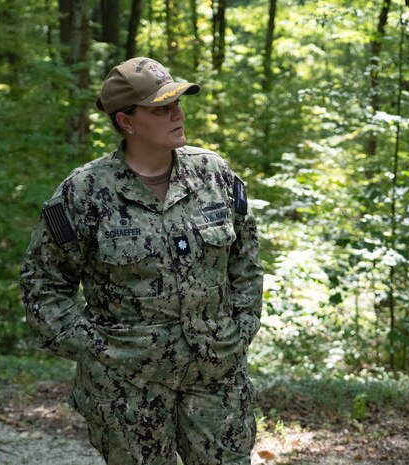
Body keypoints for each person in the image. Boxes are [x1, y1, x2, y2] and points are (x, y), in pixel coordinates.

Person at [20, 57, 264, 465]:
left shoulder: (213, 174)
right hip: (128, 387)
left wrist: (240, 329)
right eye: (160, 108)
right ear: (127, 122)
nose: (177, 113)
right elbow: (42, 286)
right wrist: (98, 349)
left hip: (216, 373)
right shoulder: (85, 193)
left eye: (178, 103)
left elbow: (246, 259)